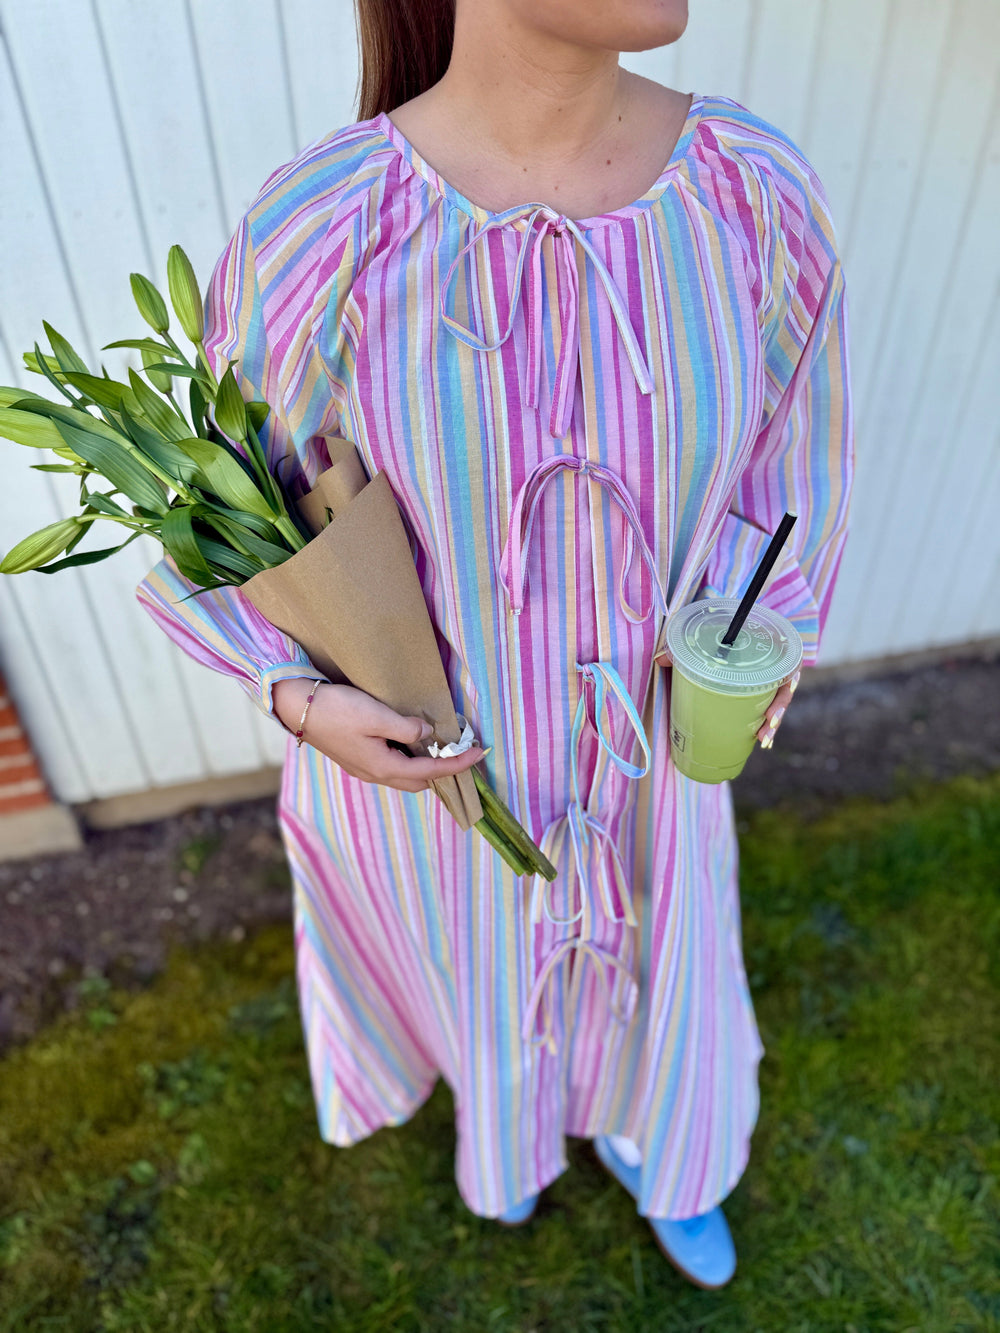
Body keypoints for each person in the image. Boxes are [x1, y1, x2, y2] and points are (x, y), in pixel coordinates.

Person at [136, 0, 853, 1291]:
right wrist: (297, 699)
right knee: (472, 975)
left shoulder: (753, 198)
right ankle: (506, 1137)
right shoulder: (324, 227)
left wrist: (765, 628)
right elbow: (236, 515)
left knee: (664, 972)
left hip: (652, 765)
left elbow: (792, 465)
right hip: (440, 779)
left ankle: (655, 1139)